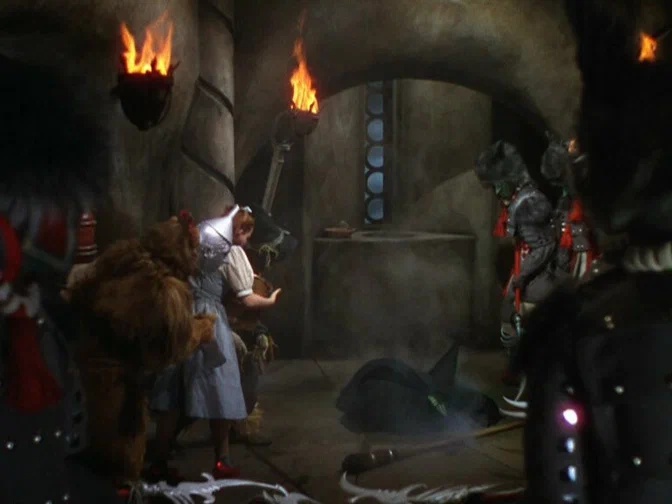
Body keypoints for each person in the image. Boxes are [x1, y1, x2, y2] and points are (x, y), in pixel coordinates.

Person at [149, 205, 280, 481]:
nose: (247, 241)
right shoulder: (229, 252)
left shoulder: (192, 244)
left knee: (173, 392)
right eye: (247, 234)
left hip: (181, 314)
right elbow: (247, 298)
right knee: (220, 388)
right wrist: (270, 300)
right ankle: (222, 460)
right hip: (209, 321)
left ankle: (159, 461)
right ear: (239, 229)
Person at [474, 141, 561, 383]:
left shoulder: (529, 203)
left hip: (539, 277)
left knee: (529, 324)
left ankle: (533, 374)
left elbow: (544, 246)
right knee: (509, 316)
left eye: (497, 185)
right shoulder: (521, 200)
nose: (496, 192)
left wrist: (521, 277)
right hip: (526, 271)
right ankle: (519, 370)